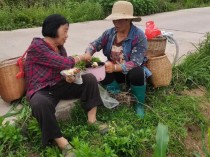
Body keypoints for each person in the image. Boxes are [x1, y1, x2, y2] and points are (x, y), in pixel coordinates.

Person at [24, 14, 108, 157]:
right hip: (41, 89)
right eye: (65, 30)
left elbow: (62, 70)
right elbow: (65, 63)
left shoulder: (60, 48)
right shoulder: (37, 46)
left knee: (89, 79)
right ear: (53, 29)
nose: (67, 35)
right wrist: (81, 57)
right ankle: (62, 142)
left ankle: (92, 120)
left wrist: (69, 76)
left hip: (59, 84)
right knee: (39, 103)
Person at [85, 1, 150, 118]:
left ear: (129, 20)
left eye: (120, 20)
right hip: (114, 71)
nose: (116, 23)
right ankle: (118, 96)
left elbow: (135, 63)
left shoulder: (139, 36)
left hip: (130, 73)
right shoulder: (109, 34)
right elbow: (95, 44)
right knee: (100, 70)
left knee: (138, 72)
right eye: (114, 20)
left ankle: (139, 105)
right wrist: (88, 53)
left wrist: (114, 67)